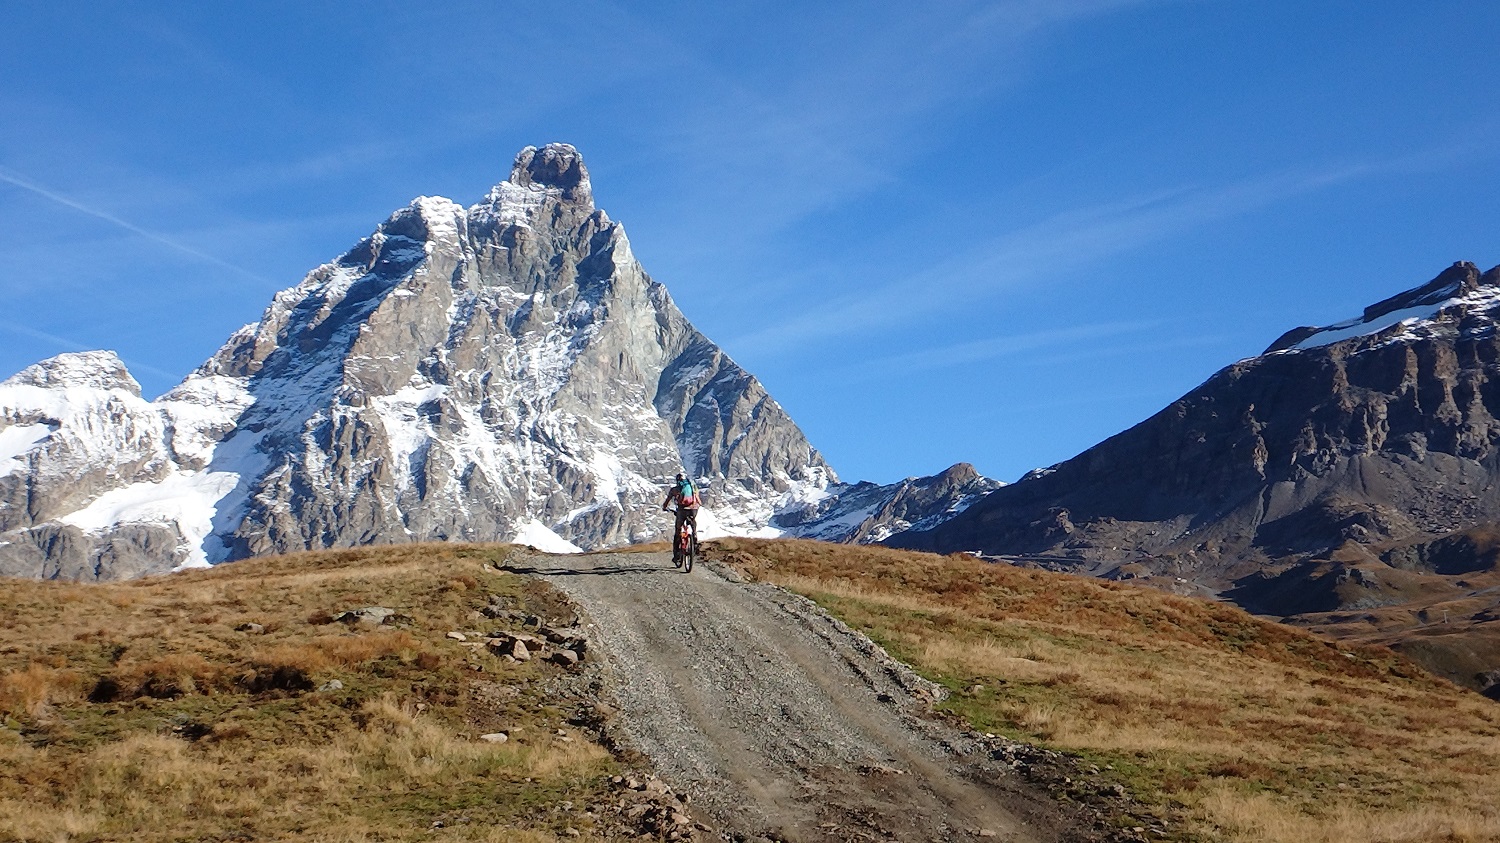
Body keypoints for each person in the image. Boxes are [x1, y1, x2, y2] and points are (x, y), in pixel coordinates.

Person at [661, 472, 700, 563]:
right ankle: (694, 537)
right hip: (693, 509)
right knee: (692, 521)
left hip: (682, 510)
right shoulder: (693, 487)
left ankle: (677, 555)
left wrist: (664, 507)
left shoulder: (675, 489)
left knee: (678, 531)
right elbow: (697, 497)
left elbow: (667, 501)